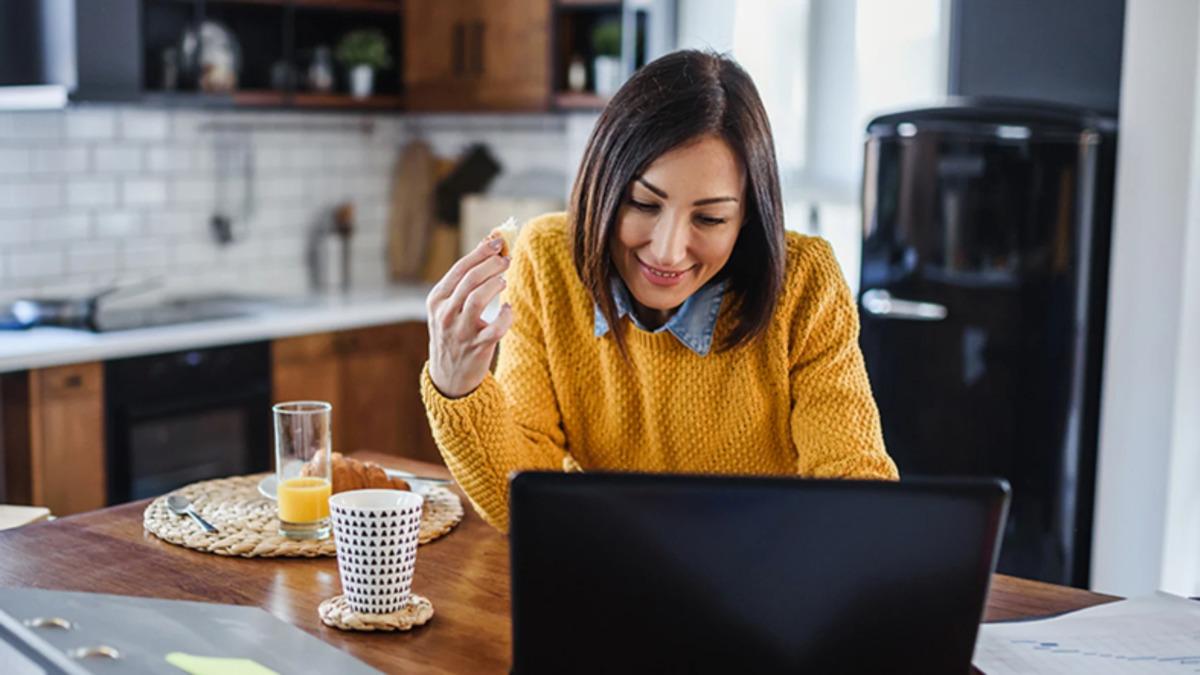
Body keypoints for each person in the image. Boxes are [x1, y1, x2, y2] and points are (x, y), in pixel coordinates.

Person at [421, 50, 898, 532]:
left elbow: (854, 480)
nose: (668, 252)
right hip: (608, 566)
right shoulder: (548, 260)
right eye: (644, 204)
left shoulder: (804, 282)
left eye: (710, 218)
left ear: (748, 215)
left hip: (761, 573)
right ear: (603, 186)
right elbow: (520, 498)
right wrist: (457, 387)